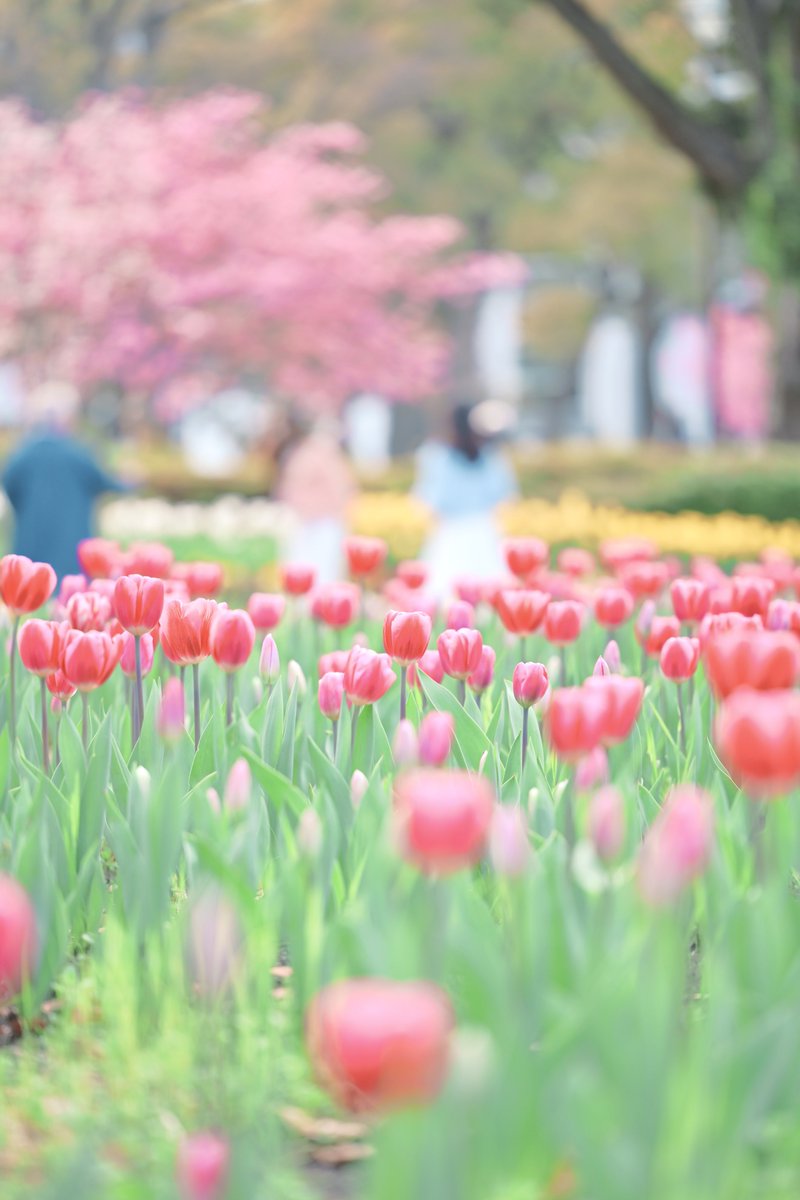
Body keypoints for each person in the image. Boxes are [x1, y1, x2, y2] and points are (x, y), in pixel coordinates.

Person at [2, 381, 128, 580]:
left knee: (31, 587)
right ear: (67, 417)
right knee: (70, 587)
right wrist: (131, 481)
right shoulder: (79, 452)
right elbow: (105, 482)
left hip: (31, 538)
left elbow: (8, 484)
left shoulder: (22, 453)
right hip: (71, 545)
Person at [414, 401, 518, 599]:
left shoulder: (435, 456)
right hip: (484, 530)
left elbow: (430, 500)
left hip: (450, 532)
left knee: (444, 593)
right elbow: (506, 496)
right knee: (490, 592)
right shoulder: (492, 455)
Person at [275, 414, 356, 584]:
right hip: (312, 521)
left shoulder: (309, 455)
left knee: (322, 569)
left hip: (322, 520)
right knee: (308, 567)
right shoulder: (312, 455)